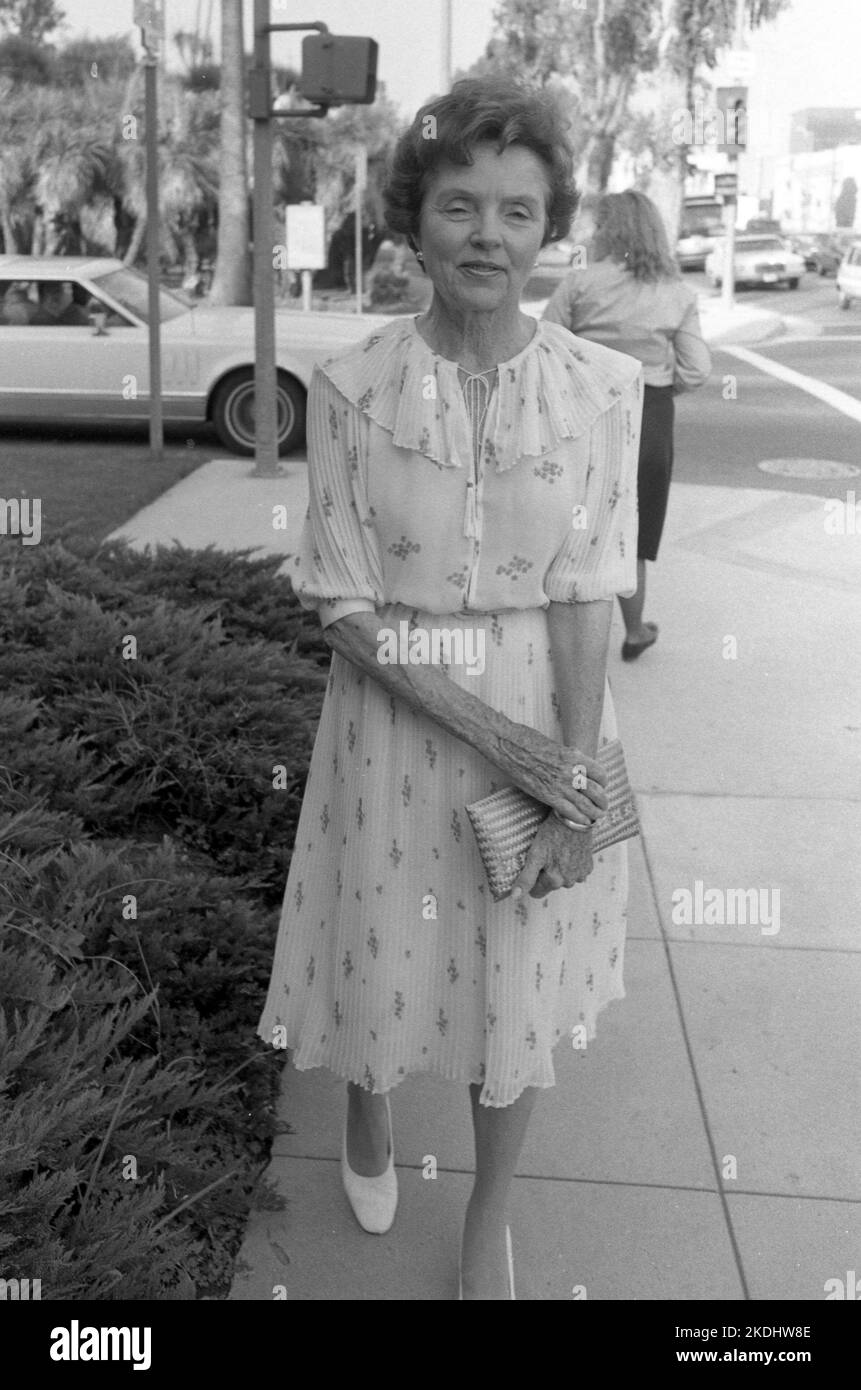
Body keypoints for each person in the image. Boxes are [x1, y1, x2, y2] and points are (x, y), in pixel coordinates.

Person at [256, 77, 644, 1300]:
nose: (489, 234)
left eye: (518, 211)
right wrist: (501, 740)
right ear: (415, 218)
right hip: (392, 725)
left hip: (552, 708)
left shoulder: (602, 390)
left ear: (548, 230)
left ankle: (488, 1215)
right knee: (380, 946)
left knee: (513, 977)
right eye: (461, 205)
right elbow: (347, 606)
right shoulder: (352, 388)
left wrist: (569, 775)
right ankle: (368, 1109)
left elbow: (589, 588)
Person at [543, 189, 711, 659]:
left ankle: (564, 637)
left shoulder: (579, 284)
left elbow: (546, 347)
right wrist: (659, 390)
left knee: (576, 526)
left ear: (606, 231)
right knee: (631, 531)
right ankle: (634, 631)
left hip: (585, 413)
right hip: (650, 415)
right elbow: (697, 369)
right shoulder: (677, 294)